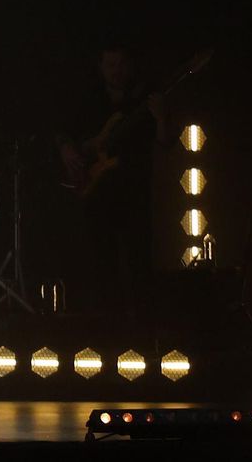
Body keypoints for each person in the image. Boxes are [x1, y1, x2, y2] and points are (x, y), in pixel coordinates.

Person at [56, 43, 166, 322]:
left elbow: (166, 143)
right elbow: (63, 133)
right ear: (101, 67)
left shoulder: (142, 98)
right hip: (98, 193)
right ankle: (107, 325)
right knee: (101, 262)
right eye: (110, 65)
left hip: (134, 191)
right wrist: (68, 148)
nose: (116, 72)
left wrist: (162, 117)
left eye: (120, 65)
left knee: (139, 260)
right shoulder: (89, 100)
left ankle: (143, 326)